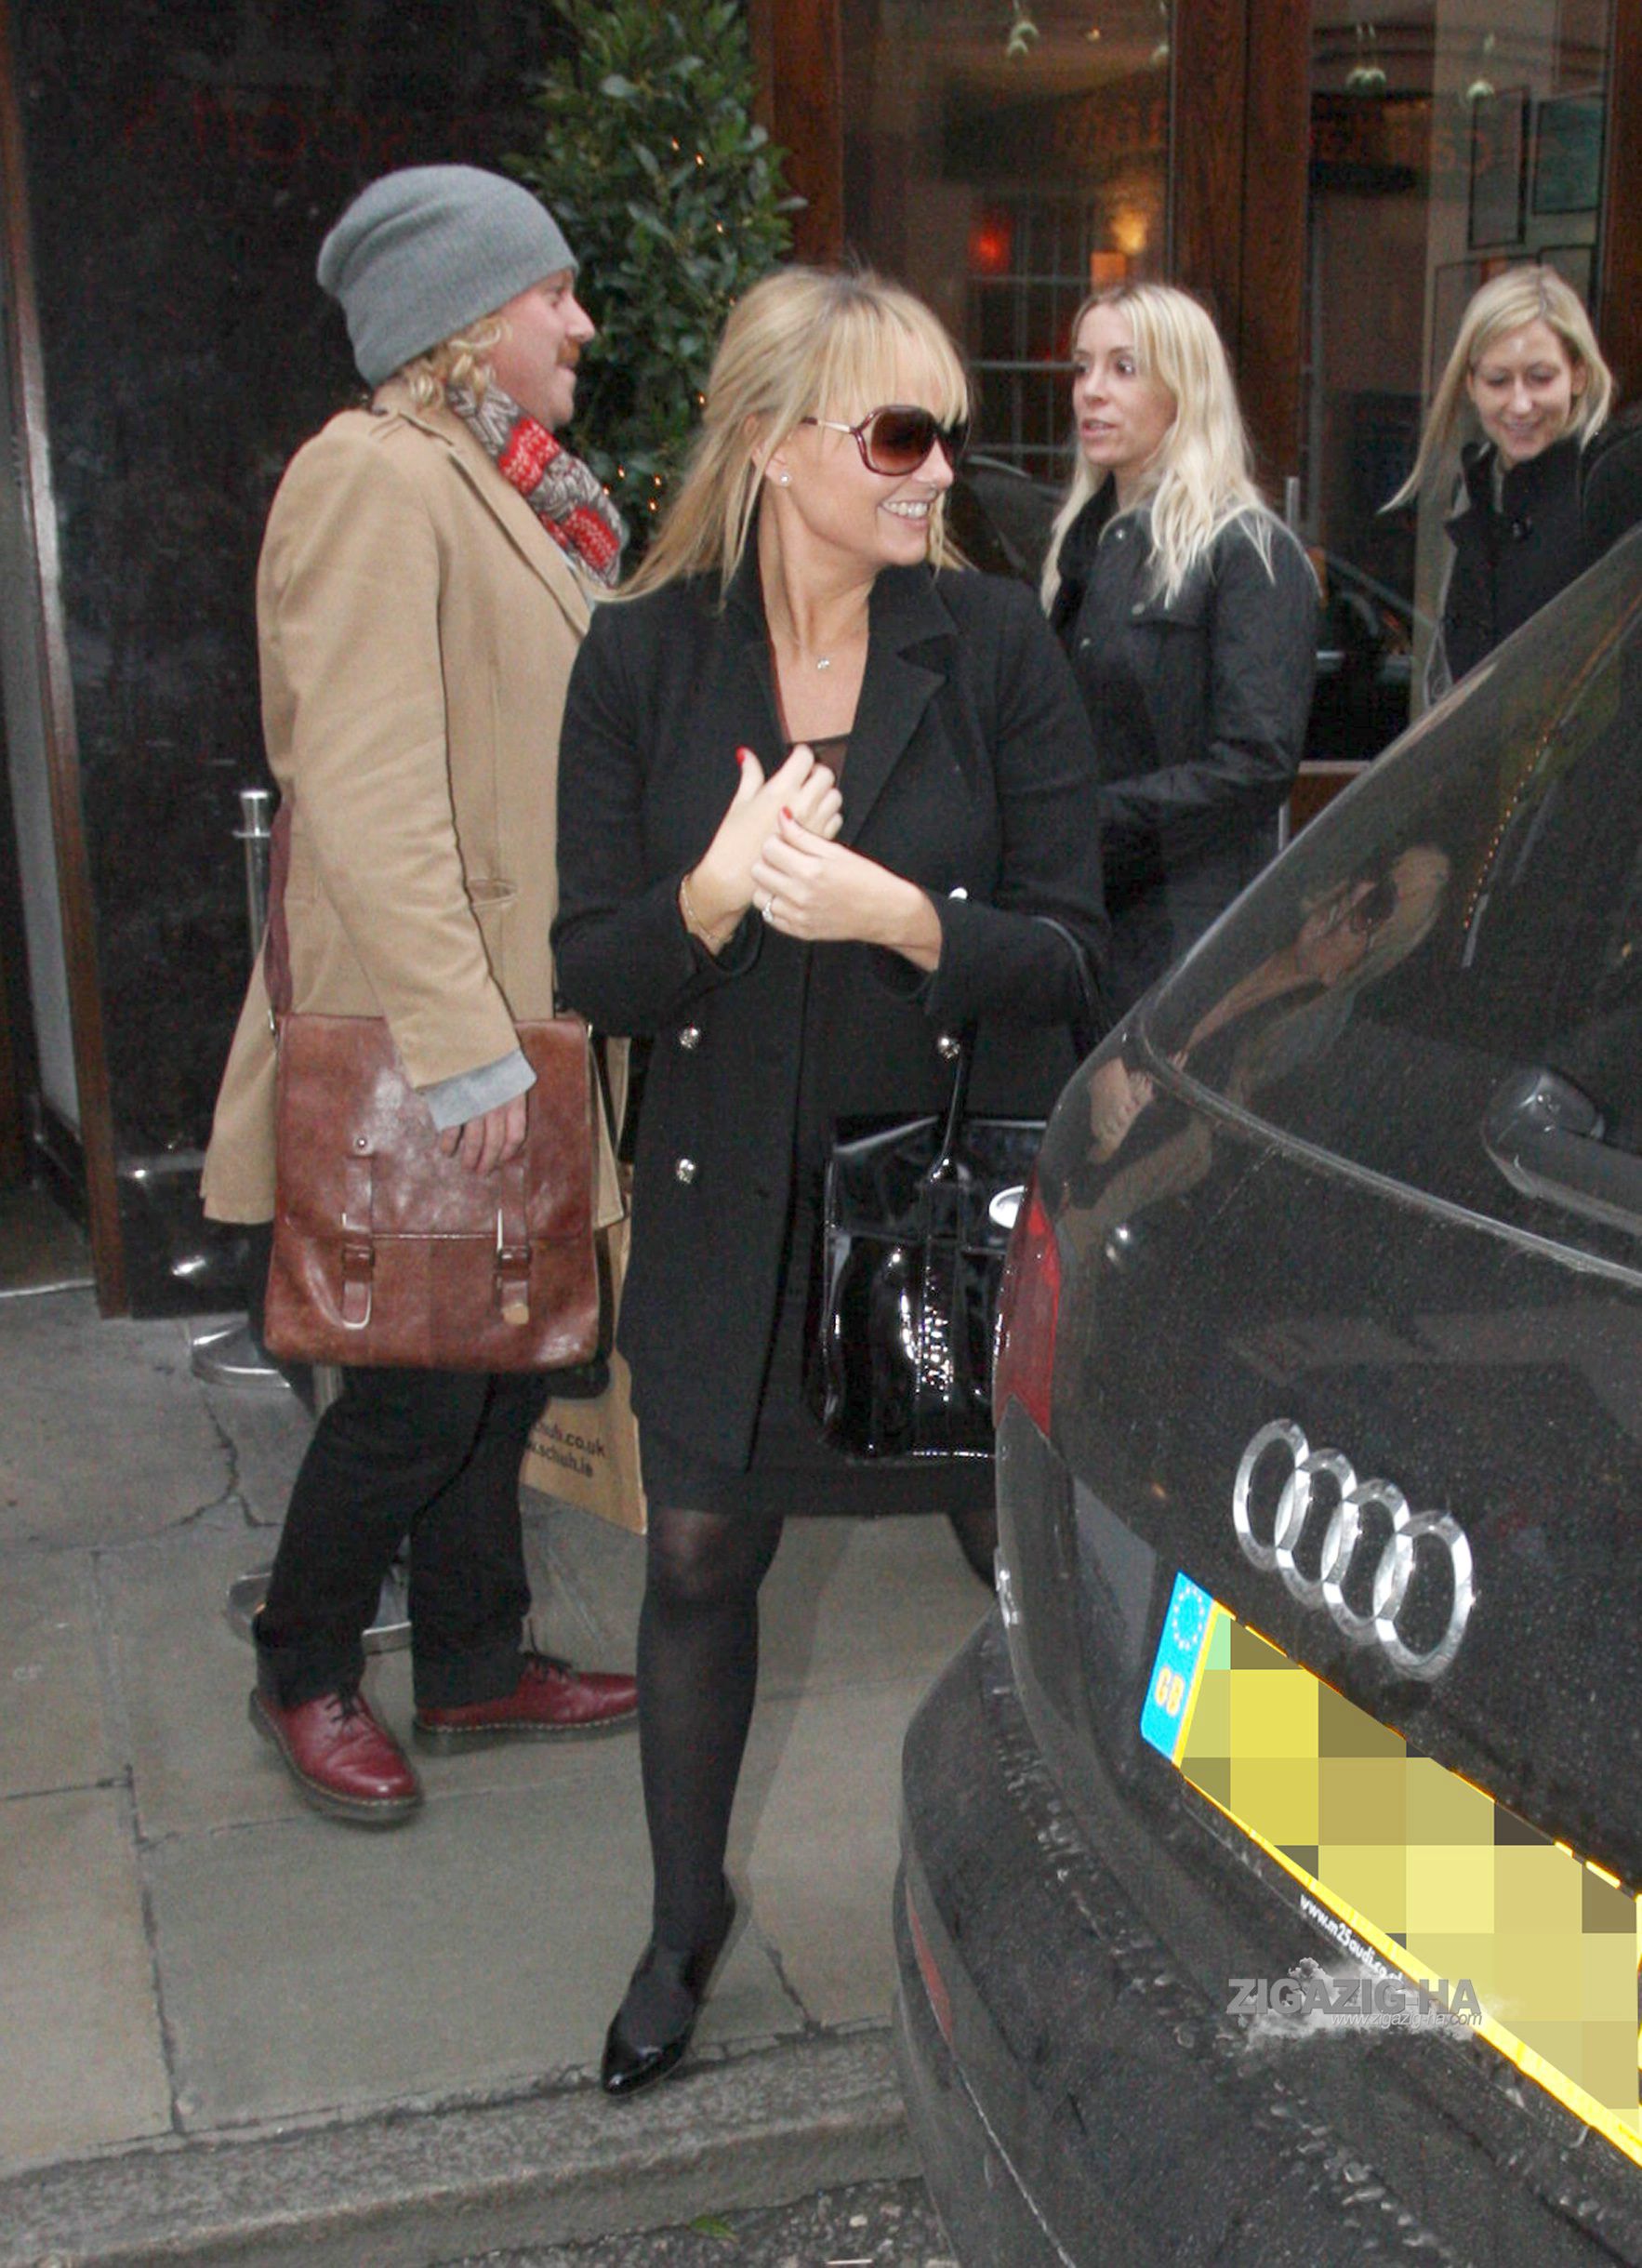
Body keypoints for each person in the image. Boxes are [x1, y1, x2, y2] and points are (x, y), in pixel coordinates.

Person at [551, 267, 1106, 2096]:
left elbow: (1071, 954)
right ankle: (675, 1922)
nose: (938, 469)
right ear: (775, 443)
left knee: (1018, 1558)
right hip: (728, 1198)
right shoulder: (643, 658)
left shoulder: (994, 644)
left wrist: (905, 917)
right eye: (897, 433)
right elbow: (592, 967)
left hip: (934, 1203)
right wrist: (712, 896)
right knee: (698, 1550)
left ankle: (1088, 1898)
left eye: (946, 431)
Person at [200, 166, 637, 1829]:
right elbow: (369, 793)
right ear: (465, 317)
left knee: (504, 1358)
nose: (580, 322)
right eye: (553, 293)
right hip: (435, 1027)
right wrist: (465, 1053)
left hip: (520, 1009)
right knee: (414, 1386)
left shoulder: (508, 486)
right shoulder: (374, 478)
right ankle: (303, 1659)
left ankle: (470, 1657)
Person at [1043, 283, 1318, 1018]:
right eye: (1082, 366)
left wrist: (1088, 821)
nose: (1091, 390)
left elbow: (1255, 766)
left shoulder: (1247, 551)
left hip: (1192, 939)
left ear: (1185, 388)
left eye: (1125, 367)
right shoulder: (1084, 542)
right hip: (1086, 918)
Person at [1385, 265, 1621, 700]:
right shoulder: (1473, 492)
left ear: (1579, 375)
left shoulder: (1610, 493)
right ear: (1471, 385)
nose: (1520, 404)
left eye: (1540, 377)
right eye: (1498, 381)